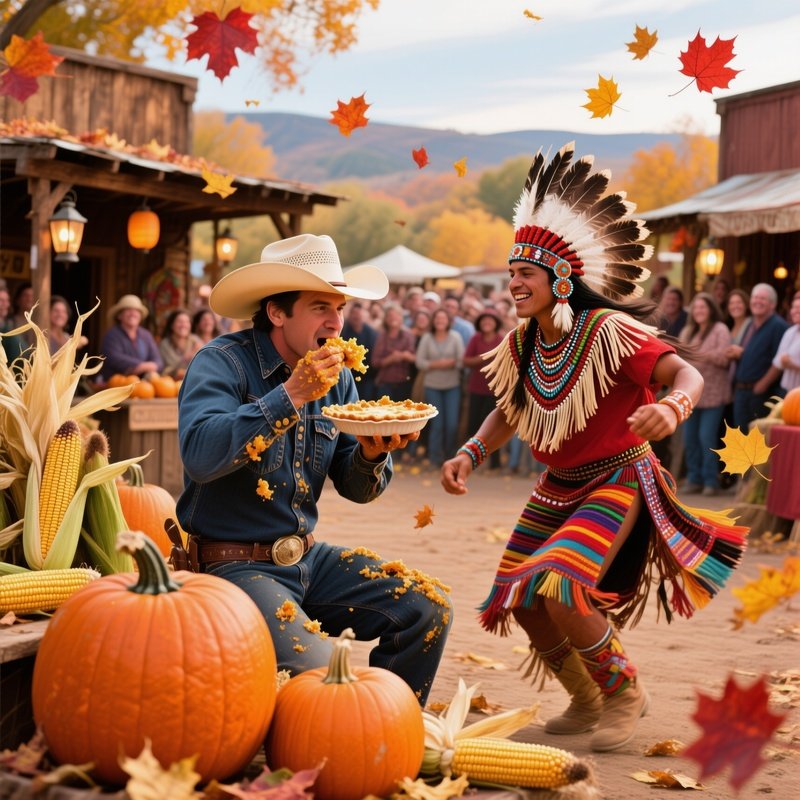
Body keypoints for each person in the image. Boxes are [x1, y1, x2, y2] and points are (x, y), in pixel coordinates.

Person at [441, 143, 747, 753]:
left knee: (559, 583)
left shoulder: (612, 331)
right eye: (511, 272)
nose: (513, 283)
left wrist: (671, 407)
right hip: (556, 487)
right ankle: (585, 698)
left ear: (560, 279)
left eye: (525, 273)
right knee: (520, 598)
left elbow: (682, 373)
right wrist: (471, 452)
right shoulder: (524, 343)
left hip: (619, 477)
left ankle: (624, 691)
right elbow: (510, 408)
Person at [176, 233, 451, 705]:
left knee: (427, 606)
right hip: (231, 567)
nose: (337, 321)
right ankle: (335, 735)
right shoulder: (220, 363)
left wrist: (372, 453)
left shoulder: (339, 376)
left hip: (306, 559)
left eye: (340, 307)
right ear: (278, 313)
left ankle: (395, 733)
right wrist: (291, 395)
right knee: (325, 672)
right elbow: (200, 457)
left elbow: (356, 487)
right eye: (321, 306)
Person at [678, 293, 731, 496]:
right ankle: (694, 478)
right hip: (691, 394)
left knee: (706, 438)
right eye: (696, 307)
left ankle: (711, 481)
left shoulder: (720, 329)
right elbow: (679, 357)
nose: (699, 311)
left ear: (711, 309)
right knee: (690, 439)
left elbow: (724, 358)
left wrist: (699, 356)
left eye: (703, 307)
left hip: (713, 394)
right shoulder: (688, 330)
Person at [726, 283, 789, 430]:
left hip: (760, 394)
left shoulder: (778, 326)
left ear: (772, 304)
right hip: (742, 392)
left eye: (763, 299)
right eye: (755, 298)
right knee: (741, 441)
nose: (757, 301)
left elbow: (779, 361)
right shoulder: (751, 324)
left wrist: (763, 384)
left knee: (757, 442)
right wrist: (740, 353)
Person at [416, 307, 464, 467]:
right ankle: (434, 458)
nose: (440, 322)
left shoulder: (455, 337)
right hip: (432, 386)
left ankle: (450, 457)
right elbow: (419, 362)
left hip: (452, 386)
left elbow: (461, 361)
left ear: (448, 321)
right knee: (437, 424)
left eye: (443, 319)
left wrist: (451, 363)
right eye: (437, 319)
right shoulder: (427, 338)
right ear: (433, 321)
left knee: (451, 424)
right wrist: (437, 364)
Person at [463, 310, 505, 470]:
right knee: (474, 425)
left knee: (495, 428)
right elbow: (466, 360)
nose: (487, 323)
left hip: (495, 390)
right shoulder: (475, 338)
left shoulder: (502, 339)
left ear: (496, 323)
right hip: (476, 389)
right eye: (484, 320)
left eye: (490, 320)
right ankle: (471, 460)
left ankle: (495, 464)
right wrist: (483, 358)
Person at [99, 294, 163, 382]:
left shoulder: (146, 335)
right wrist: (140, 365)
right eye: (128, 310)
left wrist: (153, 366)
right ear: (119, 315)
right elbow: (114, 358)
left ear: (140, 316)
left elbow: (158, 360)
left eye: (136, 310)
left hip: (142, 385)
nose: (133, 313)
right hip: (117, 384)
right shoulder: (111, 335)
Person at [372, 302, 417, 400]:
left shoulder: (408, 335)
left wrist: (403, 355)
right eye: (390, 316)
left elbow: (415, 358)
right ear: (386, 319)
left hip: (404, 382)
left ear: (401, 317)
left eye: (396, 315)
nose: (393, 318)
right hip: (385, 383)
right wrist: (390, 359)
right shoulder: (381, 336)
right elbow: (375, 362)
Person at [761, 295, 800, 394]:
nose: (795, 311)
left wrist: (793, 365)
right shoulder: (790, 332)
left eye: (799, 308)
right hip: (786, 391)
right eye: (794, 307)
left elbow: (785, 361)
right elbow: (778, 361)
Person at [341, 300, 378, 400]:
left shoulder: (371, 333)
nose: (356, 316)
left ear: (364, 316)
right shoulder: (343, 331)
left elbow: (376, 353)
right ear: (349, 316)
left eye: (358, 314)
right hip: (347, 375)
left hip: (368, 377)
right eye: (353, 314)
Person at [159, 308, 203, 379]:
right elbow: (170, 369)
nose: (183, 325)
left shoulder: (195, 340)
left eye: (186, 322)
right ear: (172, 325)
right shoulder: (165, 344)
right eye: (180, 321)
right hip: (171, 383)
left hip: (194, 380)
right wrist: (187, 357)